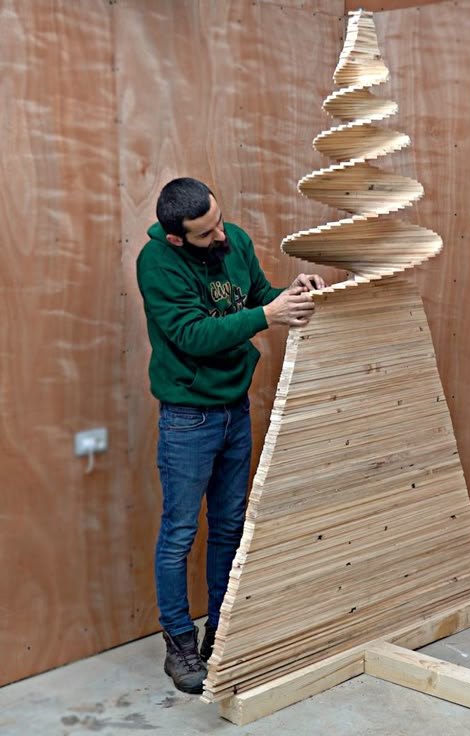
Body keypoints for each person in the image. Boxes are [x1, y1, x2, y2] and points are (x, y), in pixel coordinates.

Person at [136, 177, 325, 694]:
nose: (221, 236)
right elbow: (193, 335)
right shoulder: (157, 264)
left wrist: (289, 295)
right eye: (206, 233)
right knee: (179, 533)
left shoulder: (233, 240)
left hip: (233, 410)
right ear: (177, 238)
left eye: (220, 221)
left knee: (228, 526)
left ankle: (221, 630)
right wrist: (266, 315)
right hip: (188, 417)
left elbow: (256, 295)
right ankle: (179, 644)